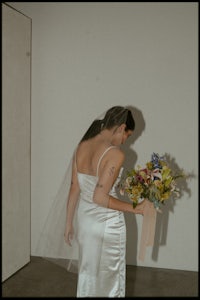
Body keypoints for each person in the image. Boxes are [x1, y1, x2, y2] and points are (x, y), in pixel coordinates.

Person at [64, 106, 146, 297]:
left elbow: (75, 186)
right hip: (107, 225)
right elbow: (100, 197)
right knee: (110, 279)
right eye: (127, 135)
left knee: (88, 275)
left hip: (84, 221)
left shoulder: (82, 146)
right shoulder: (115, 154)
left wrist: (68, 223)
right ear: (121, 127)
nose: (125, 141)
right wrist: (137, 208)